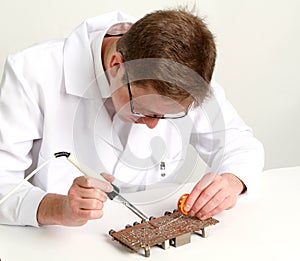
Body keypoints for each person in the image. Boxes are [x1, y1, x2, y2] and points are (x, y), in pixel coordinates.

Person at [0, 8, 264, 227]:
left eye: (167, 116)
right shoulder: (31, 73)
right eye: (145, 110)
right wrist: (58, 208)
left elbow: (240, 143)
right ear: (116, 65)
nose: (152, 124)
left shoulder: (183, 70)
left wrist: (232, 181)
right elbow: (3, 189)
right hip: (60, 244)